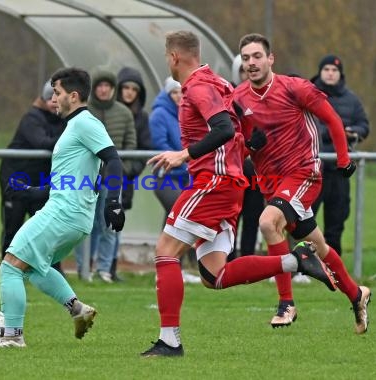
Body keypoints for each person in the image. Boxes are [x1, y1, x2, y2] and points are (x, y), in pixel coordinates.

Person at [140, 30, 336, 358]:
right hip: (228, 184)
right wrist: (248, 146)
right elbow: (238, 133)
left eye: (166, 57)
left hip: (212, 182)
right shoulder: (217, 84)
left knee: (165, 251)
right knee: (215, 275)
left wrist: (183, 154)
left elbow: (224, 128)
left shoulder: (198, 88)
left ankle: (169, 341)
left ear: (174, 57)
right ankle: (295, 260)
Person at [230, 33, 370, 333]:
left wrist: (343, 160)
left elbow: (332, 119)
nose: (251, 63)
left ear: (271, 58)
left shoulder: (294, 88)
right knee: (318, 246)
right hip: (273, 183)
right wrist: (248, 146)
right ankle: (357, 295)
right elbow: (237, 145)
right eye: (246, 58)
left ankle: (286, 303)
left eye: (257, 56)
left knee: (268, 222)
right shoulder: (238, 99)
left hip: (304, 173)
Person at [0, 67, 126, 348]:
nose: (53, 98)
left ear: (73, 96)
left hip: (65, 214)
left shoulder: (86, 123)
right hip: (70, 214)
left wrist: (113, 201)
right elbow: (71, 179)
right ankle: (77, 309)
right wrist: (32, 192)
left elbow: (114, 161)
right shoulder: (74, 126)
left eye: (58, 93)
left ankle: (13, 337)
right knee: (33, 267)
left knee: (10, 265)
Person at [0, 81, 65, 277]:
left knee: (46, 230)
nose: (55, 104)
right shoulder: (31, 118)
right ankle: (8, 270)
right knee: (13, 228)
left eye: (58, 100)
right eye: (51, 100)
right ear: (43, 100)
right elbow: (43, 143)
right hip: (16, 181)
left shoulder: (61, 119)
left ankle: (53, 271)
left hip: (40, 183)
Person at [75, 67, 136, 283]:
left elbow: (131, 145)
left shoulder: (124, 113)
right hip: (88, 178)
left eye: (107, 86)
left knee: (110, 224)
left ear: (112, 89)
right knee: (86, 225)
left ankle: (104, 270)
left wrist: (123, 170)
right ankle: (84, 269)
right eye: (99, 86)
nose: (103, 90)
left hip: (112, 179)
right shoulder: (84, 111)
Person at [311, 55, 370, 256]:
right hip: (312, 169)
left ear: (340, 74)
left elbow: (364, 125)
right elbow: (306, 125)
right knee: (304, 221)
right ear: (320, 72)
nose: (330, 73)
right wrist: (336, 131)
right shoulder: (309, 93)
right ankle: (300, 266)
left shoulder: (351, 100)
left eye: (334, 70)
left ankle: (332, 267)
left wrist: (354, 132)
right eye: (326, 69)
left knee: (337, 220)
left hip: (339, 171)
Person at [149, 76, 200, 284]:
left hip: (185, 175)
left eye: (182, 91)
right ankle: (168, 264)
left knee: (172, 219)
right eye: (175, 92)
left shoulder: (187, 113)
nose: (179, 95)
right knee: (178, 212)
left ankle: (170, 265)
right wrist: (184, 161)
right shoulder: (159, 114)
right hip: (165, 177)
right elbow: (161, 145)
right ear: (168, 94)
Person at [113, 66, 151, 281]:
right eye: (125, 87)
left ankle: (110, 267)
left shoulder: (142, 118)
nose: (128, 92)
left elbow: (144, 149)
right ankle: (94, 268)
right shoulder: (107, 112)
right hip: (105, 176)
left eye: (133, 89)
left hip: (125, 178)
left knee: (117, 220)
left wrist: (130, 171)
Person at [230, 54, 264, 259]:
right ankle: (227, 260)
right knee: (232, 216)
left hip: (256, 170)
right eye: (243, 70)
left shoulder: (262, 98)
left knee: (253, 217)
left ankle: (248, 260)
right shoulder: (228, 97)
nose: (246, 75)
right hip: (234, 168)